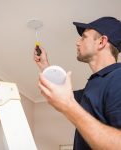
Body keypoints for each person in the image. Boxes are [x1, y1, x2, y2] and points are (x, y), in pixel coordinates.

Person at [34, 17, 121, 150]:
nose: (77, 42)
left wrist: (68, 106)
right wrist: (45, 66)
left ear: (102, 42)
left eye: (83, 37)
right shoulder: (94, 85)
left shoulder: (118, 78)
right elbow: (61, 94)